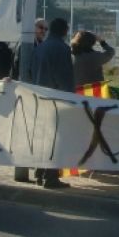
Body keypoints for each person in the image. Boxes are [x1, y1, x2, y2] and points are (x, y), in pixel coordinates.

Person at [30, 18, 73, 189]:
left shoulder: (39, 48)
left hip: (40, 98)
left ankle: (39, 172)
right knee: (56, 140)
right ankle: (51, 177)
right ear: (64, 31)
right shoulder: (62, 49)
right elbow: (65, 77)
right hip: (56, 100)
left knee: (42, 138)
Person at [13, 18, 48, 183]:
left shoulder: (40, 45)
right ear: (33, 27)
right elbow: (19, 67)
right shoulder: (26, 45)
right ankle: (27, 166)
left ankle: (35, 167)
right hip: (28, 95)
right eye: (41, 27)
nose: (43, 31)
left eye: (45, 29)